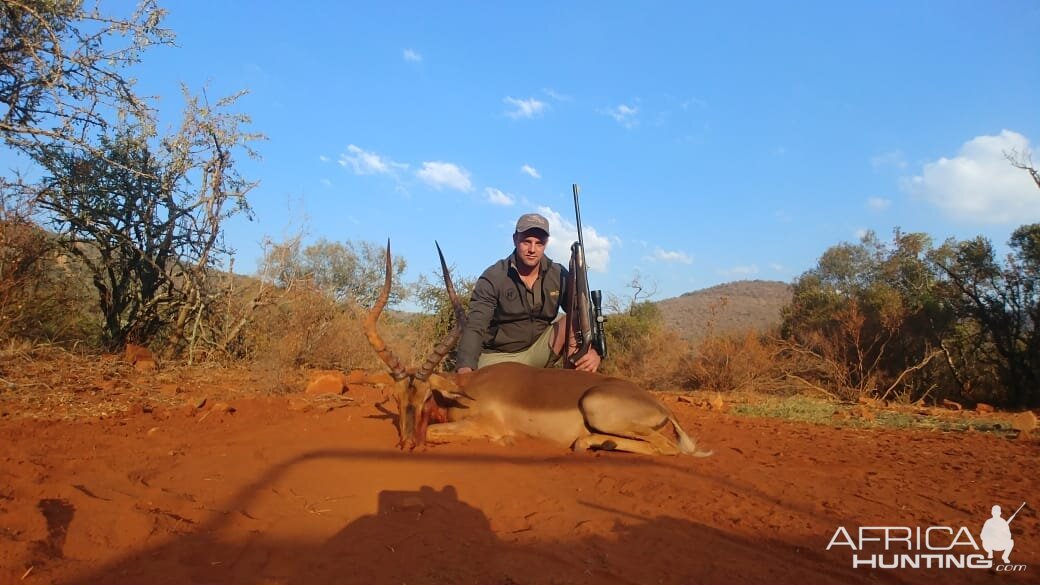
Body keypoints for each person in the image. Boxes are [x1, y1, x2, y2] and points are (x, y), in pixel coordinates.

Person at [455, 212, 601, 374]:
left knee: (575, 317)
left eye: (539, 243)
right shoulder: (494, 277)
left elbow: (585, 314)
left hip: (538, 350)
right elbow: (475, 326)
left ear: (546, 244)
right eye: (526, 242)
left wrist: (596, 351)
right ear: (515, 239)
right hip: (498, 357)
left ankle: (573, 383)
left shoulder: (558, 274)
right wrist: (465, 368)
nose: (532, 249)